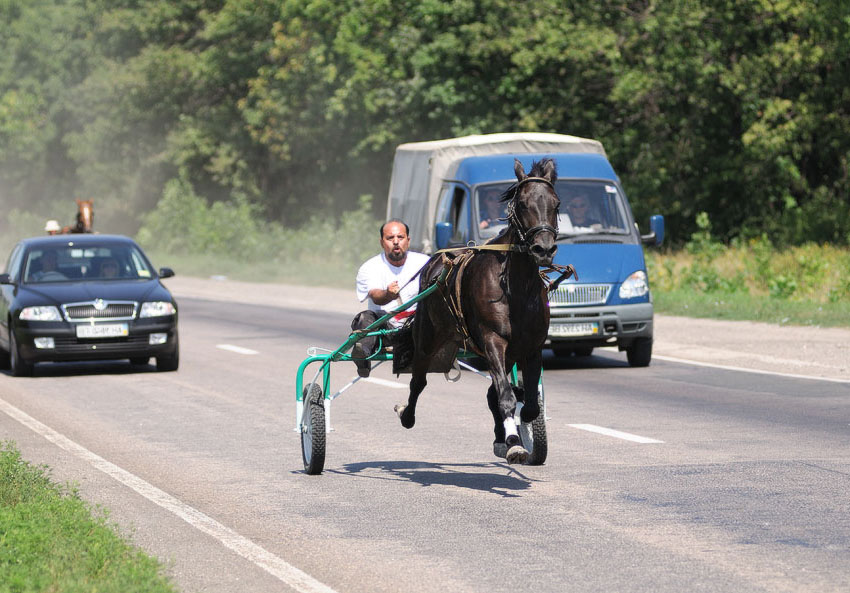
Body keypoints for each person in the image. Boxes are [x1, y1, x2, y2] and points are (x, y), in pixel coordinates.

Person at [350, 219, 430, 377]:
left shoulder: (426, 263)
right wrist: (388, 294)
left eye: (400, 237)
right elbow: (376, 297)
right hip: (386, 330)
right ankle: (363, 354)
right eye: (390, 238)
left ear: (408, 240)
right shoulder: (370, 267)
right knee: (365, 317)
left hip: (417, 327)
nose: (395, 242)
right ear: (382, 242)